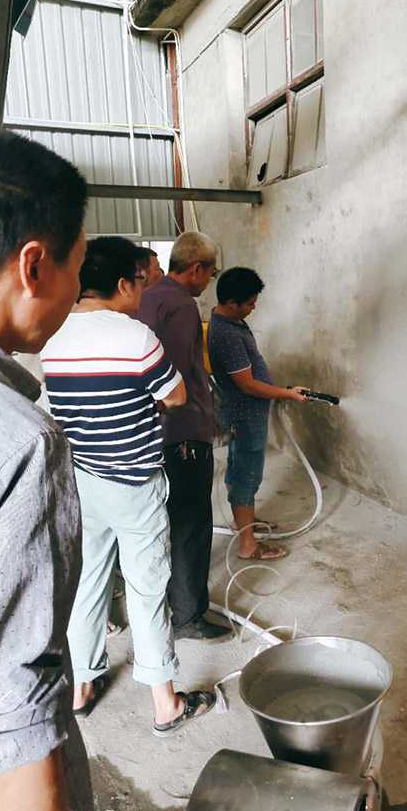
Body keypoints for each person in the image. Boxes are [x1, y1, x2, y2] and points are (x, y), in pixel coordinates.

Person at [41, 236, 215, 737]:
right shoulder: (135, 337)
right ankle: (166, 704)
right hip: (134, 481)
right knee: (146, 587)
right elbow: (175, 396)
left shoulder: (54, 335)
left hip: (82, 481)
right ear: (121, 284)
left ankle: (81, 687)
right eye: (141, 279)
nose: (145, 289)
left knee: (88, 582)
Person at [0, 131, 92, 811]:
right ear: (33, 266)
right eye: (75, 271)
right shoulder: (23, 443)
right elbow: (15, 711)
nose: (75, 294)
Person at [138, 232, 230, 641]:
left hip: (153, 433)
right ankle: (188, 615)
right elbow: (172, 379)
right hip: (182, 433)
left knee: (163, 520)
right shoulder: (181, 305)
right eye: (211, 273)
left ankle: (165, 601)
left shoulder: (146, 296)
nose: (209, 281)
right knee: (191, 522)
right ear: (197, 268)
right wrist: (197, 419)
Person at [208, 267, 309, 561]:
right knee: (246, 475)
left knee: (239, 469)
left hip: (245, 412)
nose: (254, 308)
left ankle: (244, 523)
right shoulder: (227, 334)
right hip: (246, 414)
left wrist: (281, 391)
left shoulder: (231, 322)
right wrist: (286, 394)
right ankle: (247, 545)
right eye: (250, 303)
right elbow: (248, 385)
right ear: (231, 303)